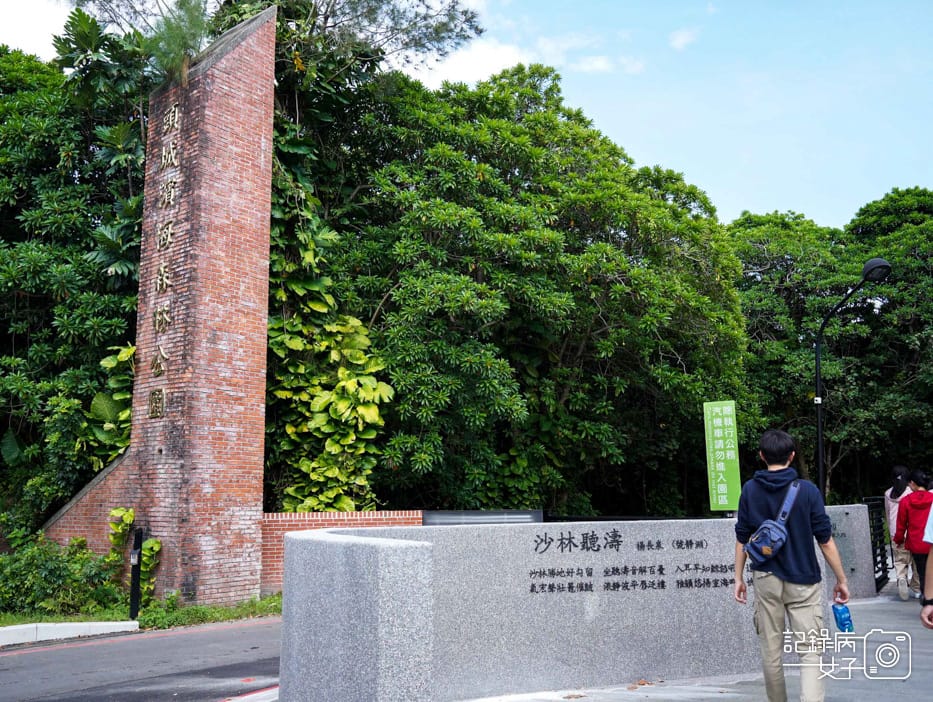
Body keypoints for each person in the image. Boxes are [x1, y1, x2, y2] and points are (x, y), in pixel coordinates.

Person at [734, 429, 849, 702]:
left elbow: (742, 538)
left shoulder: (750, 490)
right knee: (810, 651)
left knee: (771, 648)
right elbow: (826, 541)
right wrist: (841, 579)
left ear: (762, 456)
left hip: (766, 578)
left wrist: (738, 577)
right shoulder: (808, 491)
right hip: (804, 580)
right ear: (792, 456)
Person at [893, 469, 933, 599]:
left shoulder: (906, 501)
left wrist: (898, 540)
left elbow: (901, 525)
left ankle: (927, 599)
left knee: (922, 573)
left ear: (913, 483)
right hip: (931, 542)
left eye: (910, 484)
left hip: (916, 543)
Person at [884, 465, 921, 600]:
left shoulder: (888, 494)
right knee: (916, 562)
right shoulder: (911, 492)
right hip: (912, 532)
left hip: (896, 532)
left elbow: (888, 514)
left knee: (900, 560)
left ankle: (901, 578)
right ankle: (916, 588)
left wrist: (890, 530)